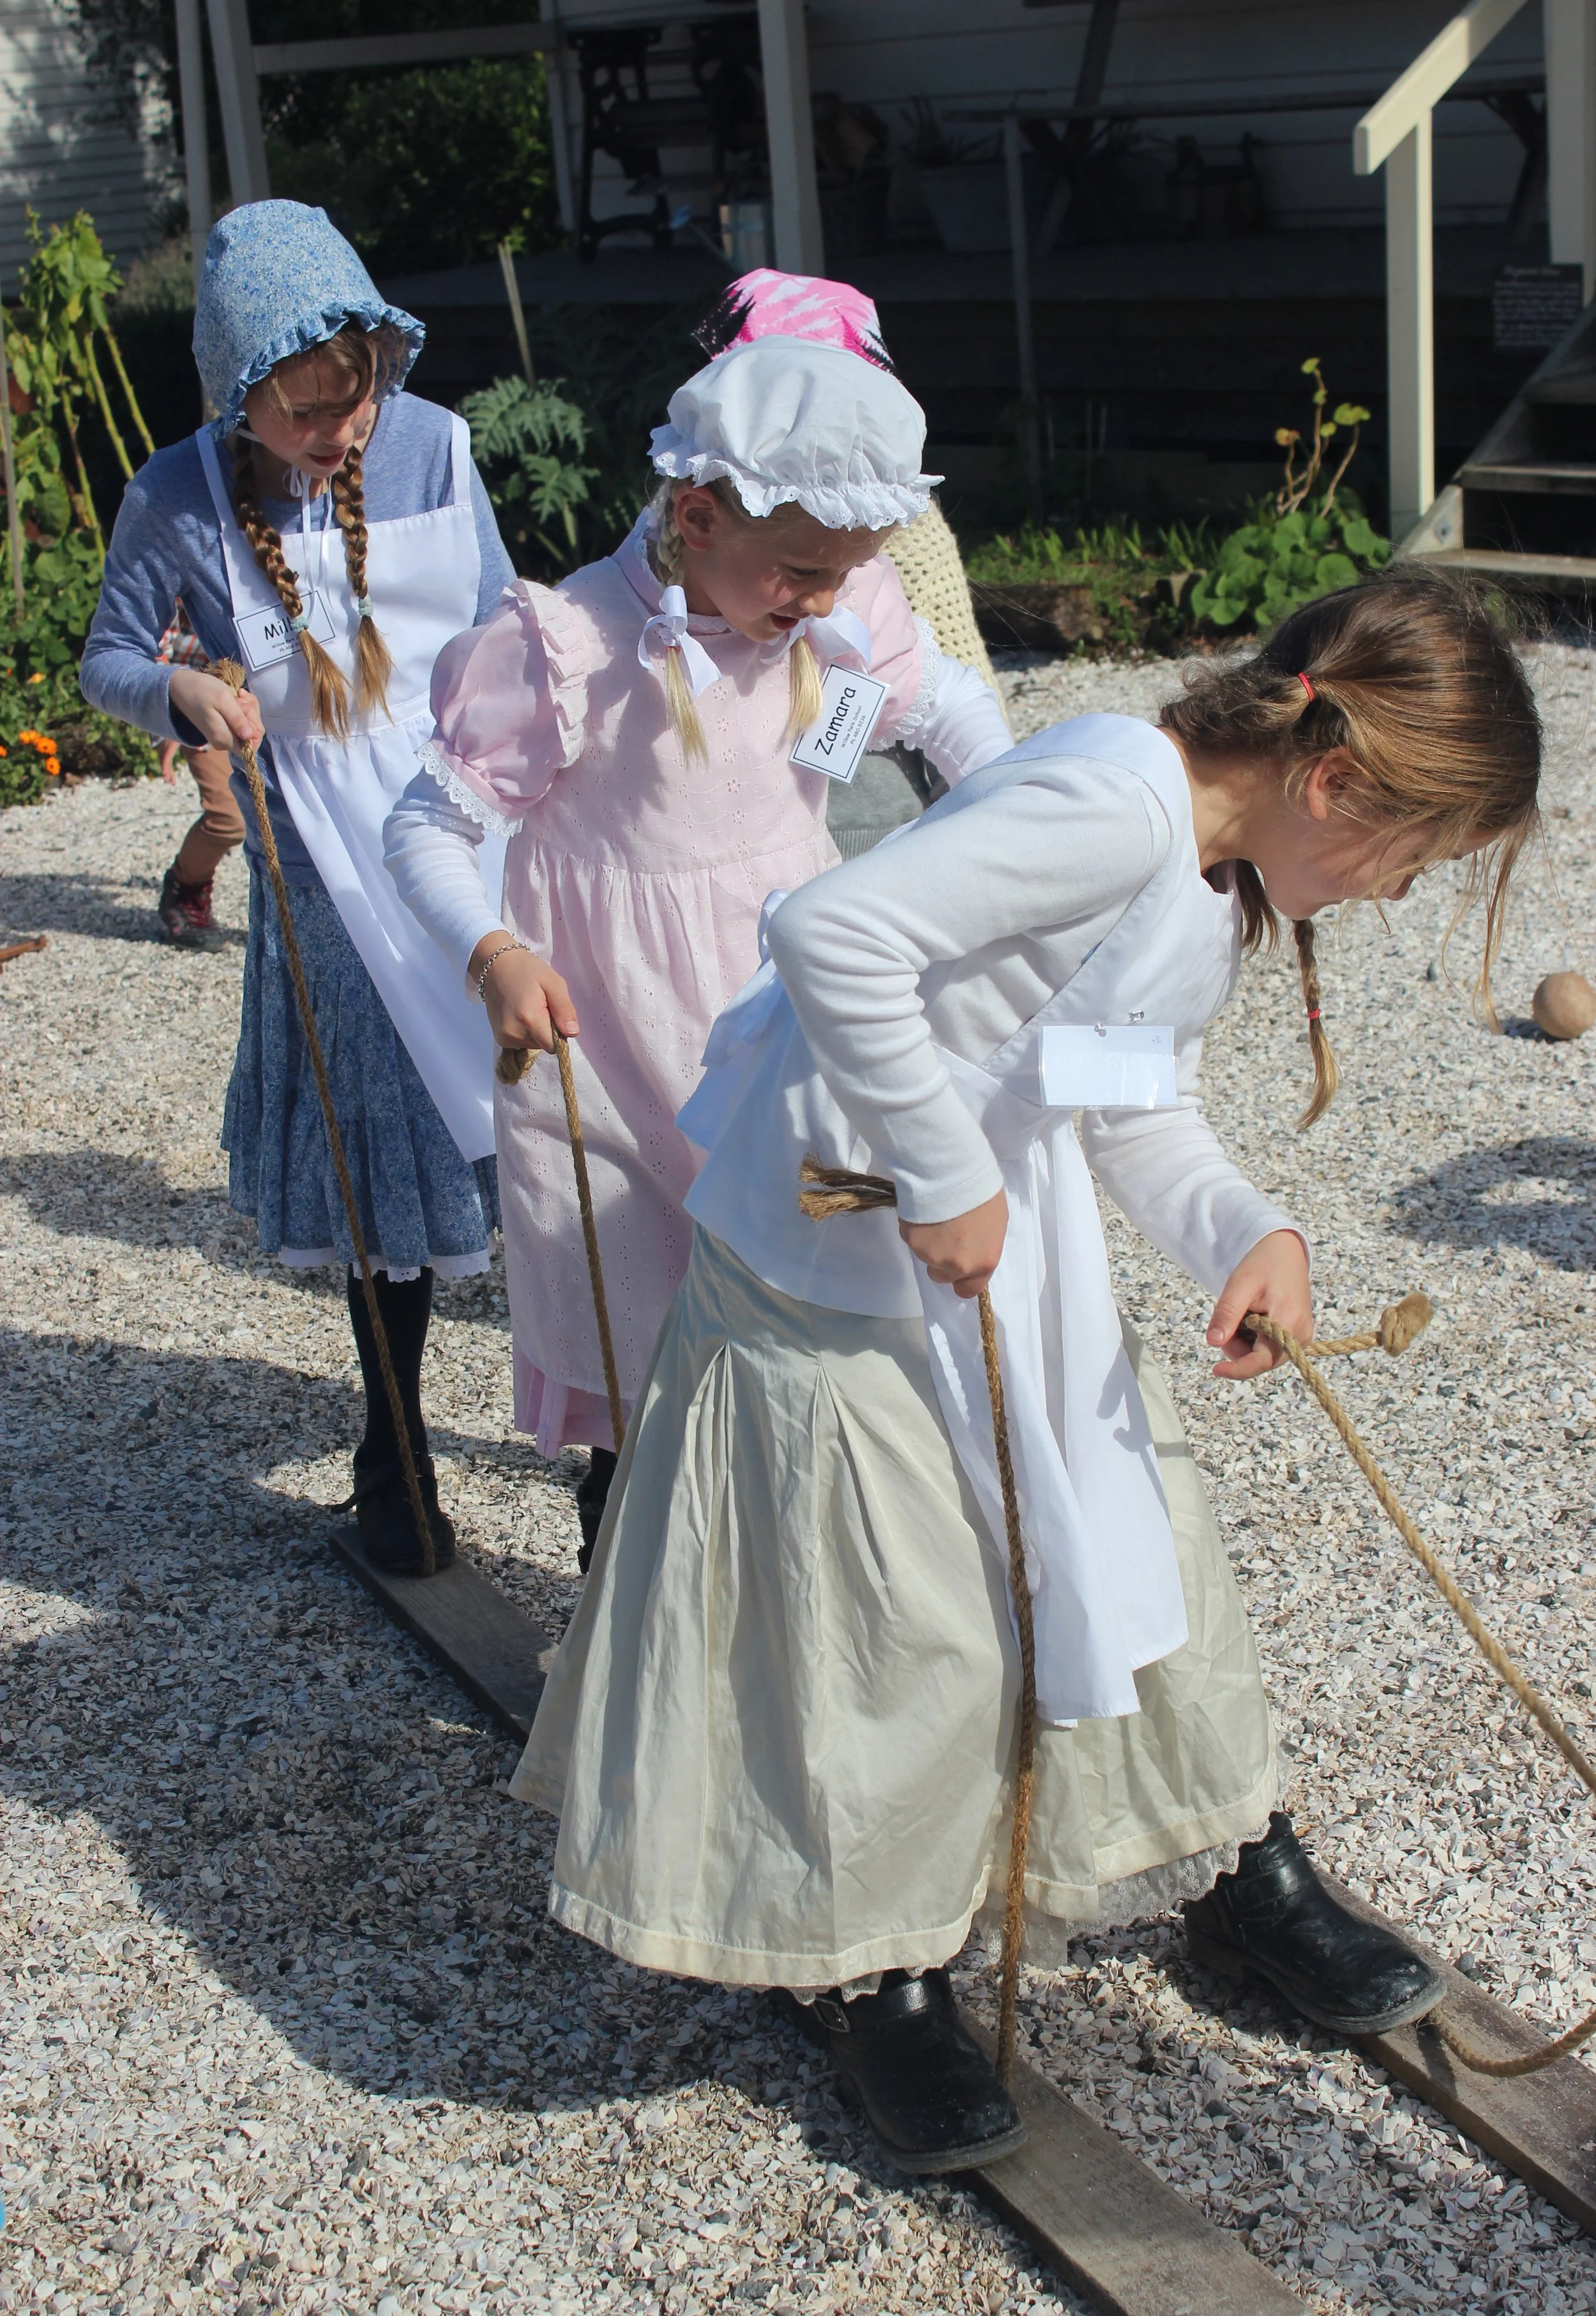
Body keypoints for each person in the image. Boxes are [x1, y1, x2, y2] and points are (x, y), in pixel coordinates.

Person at [511, 570, 1540, 2174]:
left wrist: (1242, 1232)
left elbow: (1119, 1092)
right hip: (836, 1248)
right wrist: (936, 1166)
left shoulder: (1207, 866)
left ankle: (1228, 1860)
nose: (1404, 895)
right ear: (1334, 777)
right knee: (896, 1619)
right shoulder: (1108, 805)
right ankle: (884, 1961)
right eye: (1418, 855)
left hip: (998, 1243)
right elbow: (829, 928)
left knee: (1137, 1536)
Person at [384, 269, 1013, 1568]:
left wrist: (1010, 814)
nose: (823, 602)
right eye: (798, 572)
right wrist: (492, 949)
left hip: (781, 1047)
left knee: (814, 1321)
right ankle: (628, 1658)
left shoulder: (822, 627)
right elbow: (423, 826)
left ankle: (790, 1624)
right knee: (643, 1374)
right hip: (608, 1070)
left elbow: (914, 719)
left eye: (844, 575)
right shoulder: (566, 650)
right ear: (694, 512)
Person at [80, 201, 517, 1573]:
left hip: (470, 823)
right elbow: (105, 660)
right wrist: (184, 685)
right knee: (386, 1148)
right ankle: (394, 1458)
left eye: (362, 391)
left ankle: (599, 1458)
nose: (347, 429)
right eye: (310, 411)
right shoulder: (176, 495)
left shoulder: (433, 443)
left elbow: (507, 627)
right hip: (325, 867)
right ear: (240, 395)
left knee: (539, 1120)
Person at [153, 603, 248, 950]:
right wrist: (168, 723)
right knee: (229, 818)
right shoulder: (181, 568)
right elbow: (152, 652)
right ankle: (184, 889)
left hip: (276, 707)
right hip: (207, 714)